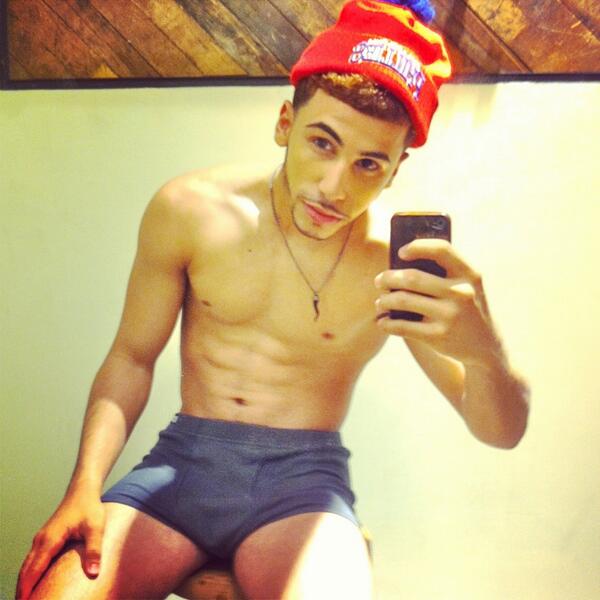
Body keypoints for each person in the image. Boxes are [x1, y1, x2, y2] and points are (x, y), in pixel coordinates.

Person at [16, 0, 530, 598]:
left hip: (303, 491)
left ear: (395, 170)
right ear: (285, 123)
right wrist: (83, 487)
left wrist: (484, 351)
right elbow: (131, 358)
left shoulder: (396, 263)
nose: (335, 187)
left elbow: (501, 432)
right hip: (179, 471)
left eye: (369, 164)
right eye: (323, 143)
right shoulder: (191, 210)